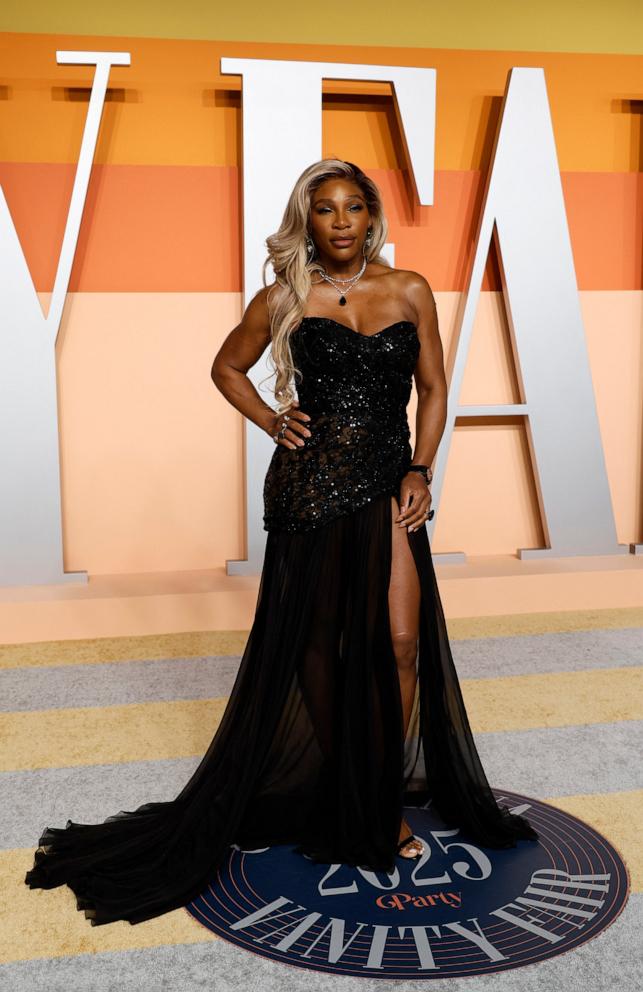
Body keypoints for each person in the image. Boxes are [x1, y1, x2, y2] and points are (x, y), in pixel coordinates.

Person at [24, 158, 538, 928]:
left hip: (385, 482)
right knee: (319, 643)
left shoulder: (408, 290)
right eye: (324, 209)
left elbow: (432, 389)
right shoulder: (282, 296)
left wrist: (422, 470)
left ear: (371, 218)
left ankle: (378, 792)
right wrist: (272, 421)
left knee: (399, 643)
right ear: (309, 219)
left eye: (353, 208)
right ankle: (344, 787)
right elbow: (225, 367)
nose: (339, 221)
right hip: (307, 489)